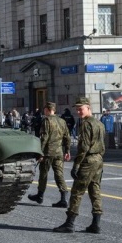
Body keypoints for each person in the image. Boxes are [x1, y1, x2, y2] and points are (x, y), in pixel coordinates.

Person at [54, 97, 105, 233]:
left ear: (88, 107)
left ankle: (69, 223)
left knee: (77, 192)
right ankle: (96, 224)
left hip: (88, 160)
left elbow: (84, 147)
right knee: (95, 190)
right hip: (98, 159)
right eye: (76, 109)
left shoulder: (86, 124)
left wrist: (76, 165)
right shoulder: (99, 123)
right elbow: (102, 145)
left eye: (80, 108)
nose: (78, 111)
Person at [28, 102, 71, 208]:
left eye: (45, 110)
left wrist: (40, 152)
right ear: (54, 110)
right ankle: (63, 198)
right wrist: (67, 151)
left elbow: (44, 138)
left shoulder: (47, 120)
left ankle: (40, 195)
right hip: (59, 152)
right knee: (59, 174)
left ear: (47, 109)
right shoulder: (62, 121)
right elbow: (67, 137)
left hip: (48, 153)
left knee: (43, 174)